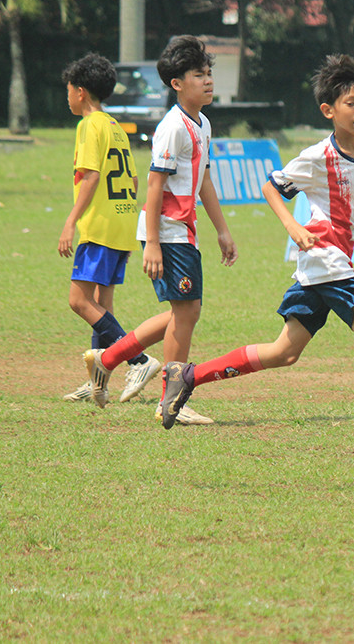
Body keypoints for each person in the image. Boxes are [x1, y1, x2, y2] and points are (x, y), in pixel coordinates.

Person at [158, 54, 354, 475]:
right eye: (350, 103)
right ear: (328, 111)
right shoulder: (316, 156)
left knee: (284, 352)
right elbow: (271, 186)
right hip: (324, 257)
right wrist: (293, 228)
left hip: (328, 264)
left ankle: (188, 375)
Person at [82, 35, 238, 424]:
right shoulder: (173, 127)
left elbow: (203, 180)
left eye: (208, 73)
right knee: (187, 312)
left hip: (183, 231)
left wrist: (222, 229)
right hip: (166, 231)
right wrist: (151, 242)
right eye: (198, 74)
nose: (208, 81)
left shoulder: (202, 124)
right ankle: (171, 401)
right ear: (176, 84)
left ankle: (108, 358)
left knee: (184, 312)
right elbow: (154, 184)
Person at [58, 53, 162, 404]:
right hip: (122, 224)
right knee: (103, 304)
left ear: (81, 92)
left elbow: (91, 176)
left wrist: (70, 222)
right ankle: (97, 381)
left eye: (69, 90)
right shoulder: (115, 126)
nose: (68, 96)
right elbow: (132, 179)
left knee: (78, 300)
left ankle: (139, 358)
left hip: (100, 225)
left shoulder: (89, 126)